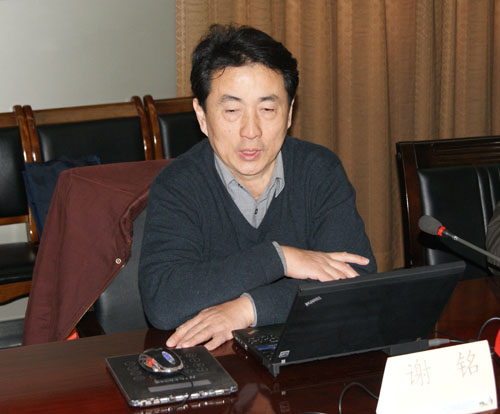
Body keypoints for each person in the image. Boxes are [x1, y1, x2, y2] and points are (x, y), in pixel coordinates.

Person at [138, 24, 377, 351]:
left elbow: (356, 282)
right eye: (232, 110)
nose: (251, 131)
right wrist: (280, 258)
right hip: (219, 364)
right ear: (202, 115)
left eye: (267, 109)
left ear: (289, 113)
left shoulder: (319, 170)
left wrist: (247, 309)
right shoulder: (178, 185)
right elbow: (165, 302)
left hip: (310, 357)